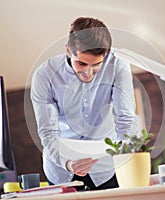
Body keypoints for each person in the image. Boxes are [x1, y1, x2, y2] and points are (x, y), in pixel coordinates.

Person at [30, 17, 137, 190]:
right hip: (62, 167)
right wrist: (67, 162)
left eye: (96, 65)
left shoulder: (117, 64)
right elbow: (48, 132)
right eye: (81, 63)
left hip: (106, 167)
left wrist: (126, 159)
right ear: (67, 50)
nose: (88, 72)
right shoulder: (44, 75)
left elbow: (125, 120)